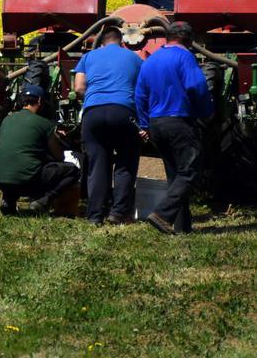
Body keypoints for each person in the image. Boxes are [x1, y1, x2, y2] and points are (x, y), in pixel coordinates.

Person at [135, 21, 214, 234]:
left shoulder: (150, 61)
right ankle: (162, 214)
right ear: (188, 40)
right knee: (189, 171)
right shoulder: (184, 56)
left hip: (156, 124)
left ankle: (182, 228)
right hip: (178, 121)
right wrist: (205, 112)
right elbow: (196, 86)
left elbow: (139, 95)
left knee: (175, 175)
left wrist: (144, 124)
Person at [74, 25, 144, 225]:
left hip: (93, 113)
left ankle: (95, 216)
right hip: (124, 112)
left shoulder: (88, 57)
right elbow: (142, 88)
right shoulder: (134, 58)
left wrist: (94, 99)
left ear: (102, 41)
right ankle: (118, 213)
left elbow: (79, 87)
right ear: (122, 41)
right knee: (125, 163)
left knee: (97, 165)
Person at [0, 84, 81, 216]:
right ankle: (44, 201)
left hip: (1, 179)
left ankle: (8, 200)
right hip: (27, 182)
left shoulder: (6, 120)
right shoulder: (44, 124)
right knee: (72, 171)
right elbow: (59, 157)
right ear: (39, 101)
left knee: (16, 165)